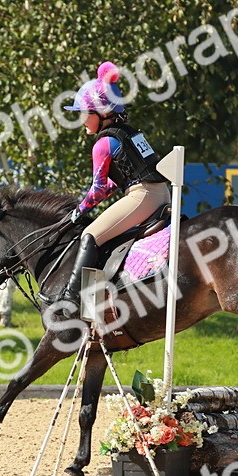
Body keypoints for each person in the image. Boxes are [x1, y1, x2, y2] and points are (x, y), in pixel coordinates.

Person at [54, 61, 170, 307]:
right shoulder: (130, 133)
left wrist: (79, 211)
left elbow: (97, 190)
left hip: (143, 196)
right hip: (162, 194)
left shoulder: (103, 144)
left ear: (102, 112)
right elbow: (114, 184)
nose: (82, 120)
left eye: (85, 113)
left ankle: (71, 298)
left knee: (90, 235)